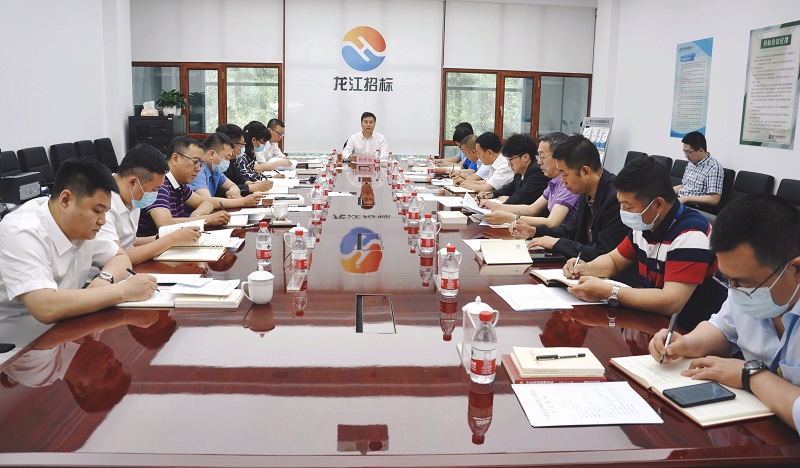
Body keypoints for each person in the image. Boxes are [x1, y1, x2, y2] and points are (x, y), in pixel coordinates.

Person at [649, 194, 800, 433]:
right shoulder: (747, 285)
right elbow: (723, 328)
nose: (735, 290)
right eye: (728, 279)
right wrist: (686, 343)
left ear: (796, 269)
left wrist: (750, 375)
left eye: (744, 282)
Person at [565, 156, 725, 331]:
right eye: (620, 204)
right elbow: (614, 261)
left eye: (628, 206)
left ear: (658, 204)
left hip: (684, 332)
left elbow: (671, 302)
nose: (622, 211)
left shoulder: (691, 234)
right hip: (649, 322)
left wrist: (610, 292)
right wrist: (586, 268)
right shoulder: (646, 223)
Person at [0, 158, 158, 324]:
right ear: (66, 200)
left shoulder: (81, 225)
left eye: (105, 212)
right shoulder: (22, 232)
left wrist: (103, 281)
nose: (103, 221)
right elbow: (45, 307)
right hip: (26, 337)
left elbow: (120, 257)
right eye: (97, 211)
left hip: (70, 325)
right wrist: (122, 291)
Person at [517, 134, 627, 261]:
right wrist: (534, 231)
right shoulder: (586, 190)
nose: (562, 181)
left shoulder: (616, 199)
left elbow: (602, 252)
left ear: (585, 172)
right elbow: (570, 230)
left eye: (564, 174)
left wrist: (556, 243)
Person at [97, 144, 202, 265]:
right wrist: (171, 239)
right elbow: (116, 258)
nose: (156, 194)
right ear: (132, 182)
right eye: (154, 190)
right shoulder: (101, 205)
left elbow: (128, 242)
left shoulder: (131, 196)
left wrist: (163, 237)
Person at [137, 136, 231, 237]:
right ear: (175, 159)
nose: (198, 169)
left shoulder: (180, 185)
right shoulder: (160, 184)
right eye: (195, 162)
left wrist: (196, 215)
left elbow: (206, 203)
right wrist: (207, 220)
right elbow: (165, 224)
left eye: (200, 164)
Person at [486, 132, 579, 227]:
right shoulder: (554, 181)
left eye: (543, 157)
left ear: (560, 157)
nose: (539, 161)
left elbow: (552, 222)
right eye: (539, 156)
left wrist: (509, 218)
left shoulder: (567, 182)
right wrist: (495, 206)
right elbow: (532, 209)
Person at [189, 132, 261, 210]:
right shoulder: (198, 170)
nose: (228, 162)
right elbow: (207, 201)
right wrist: (242, 201)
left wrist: (232, 192)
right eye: (227, 158)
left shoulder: (215, 170)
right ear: (212, 154)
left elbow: (232, 185)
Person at [477, 133, 549, 206]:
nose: (509, 164)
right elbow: (507, 189)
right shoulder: (520, 172)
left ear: (525, 157)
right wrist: (490, 194)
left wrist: (497, 203)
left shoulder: (537, 172)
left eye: (510, 159)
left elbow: (519, 199)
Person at [215, 123, 273, 195]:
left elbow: (238, 177)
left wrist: (250, 183)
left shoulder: (230, 161)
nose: (243, 148)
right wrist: (253, 187)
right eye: (242, 145)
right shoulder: (217, 165)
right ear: (230, 145)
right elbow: (222, 190)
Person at [673, 131, 723, 206]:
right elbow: (684, 186)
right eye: (684, 152)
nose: (686, 156)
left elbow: (714, 199)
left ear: (700, 151)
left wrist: (686, 198)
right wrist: (668, 191)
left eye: (688, 152)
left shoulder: (713, 167)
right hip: (682, 200)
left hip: (695, 206)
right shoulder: (691, 163)